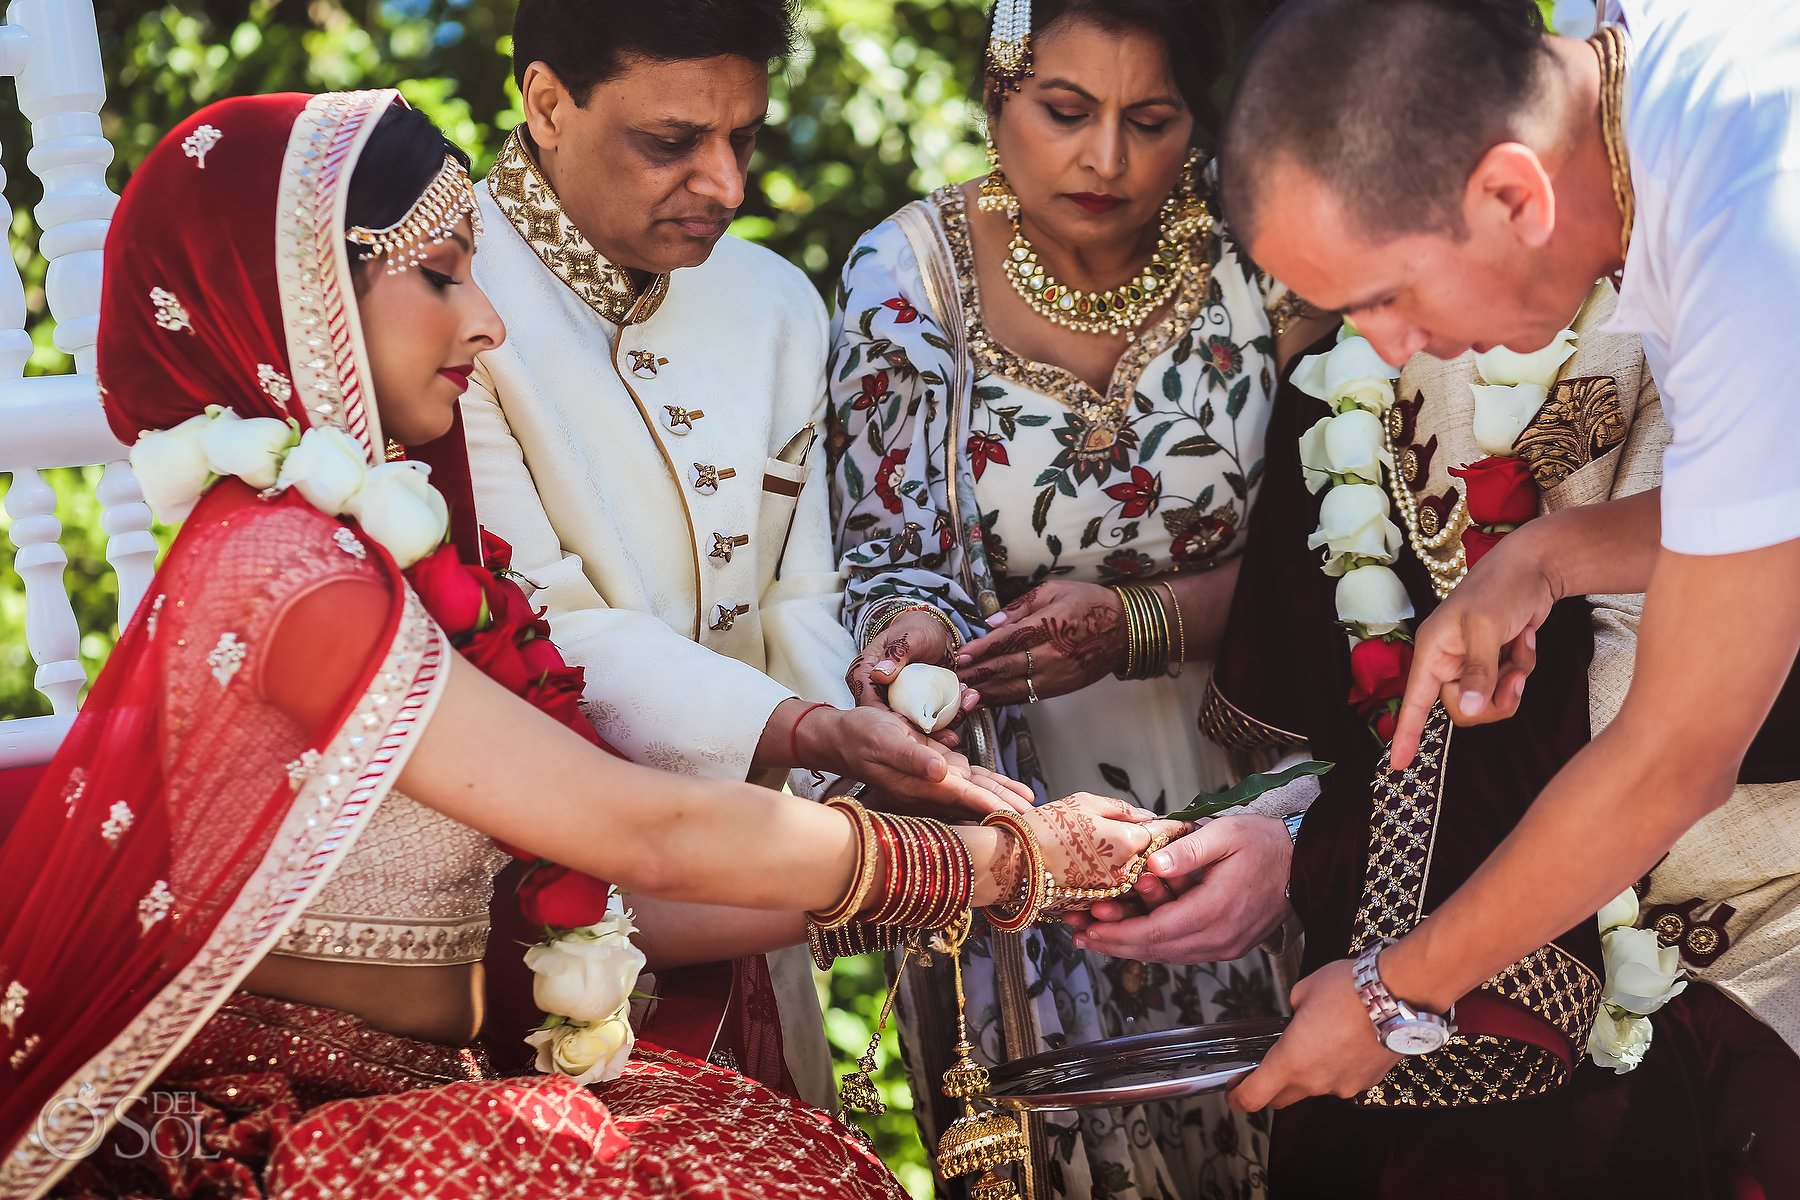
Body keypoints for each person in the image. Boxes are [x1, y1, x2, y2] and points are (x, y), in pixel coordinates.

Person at [0, 91, 1176, 1200]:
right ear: (299, 301)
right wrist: (1007, 863)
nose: (486, 318)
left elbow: (585, 900)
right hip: (297, 1114)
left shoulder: (370, 551)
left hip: (438, 1079)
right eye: (439, 274)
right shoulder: (294, 579)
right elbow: (640, 826)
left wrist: (957, 864)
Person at [1207, 0, 1800, 1123]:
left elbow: (1678, 758)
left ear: (1514, 196)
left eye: (1384, 296)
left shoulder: (1752, 219)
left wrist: (1394, 994)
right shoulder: (1652, 93)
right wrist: (1553, 551)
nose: (1381, 349)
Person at [1073, 282, 1800, 1195]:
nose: (1369, 318)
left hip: (1759, 935)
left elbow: (1672, 739)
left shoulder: (1736, 281)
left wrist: (1389, 985)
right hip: (1412, 995)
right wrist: (1289, 839)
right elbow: (1349, 723)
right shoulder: (1342, 374)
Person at [457, 0, 995, 1107]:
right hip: (543, 900)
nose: (726, 186)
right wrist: (798, 729)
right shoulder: (444, 299)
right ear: (547, 104)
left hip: (760, 868)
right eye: (672, 143)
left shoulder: (771, 303)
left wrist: (873, 712)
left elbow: (799, 587)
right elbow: (538, 620)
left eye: (743, 138)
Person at [826, 2, 1317, 1193]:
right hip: (1030, 789)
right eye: (1065, 111)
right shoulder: (911, 272)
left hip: (1271, 746)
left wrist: (1142, 622)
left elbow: (1348, 544)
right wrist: (917, 638)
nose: (1105, 159)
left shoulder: (1271, 250)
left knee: (1301, 1105)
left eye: (1151, 121)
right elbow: (894, 554)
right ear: (997, 93)